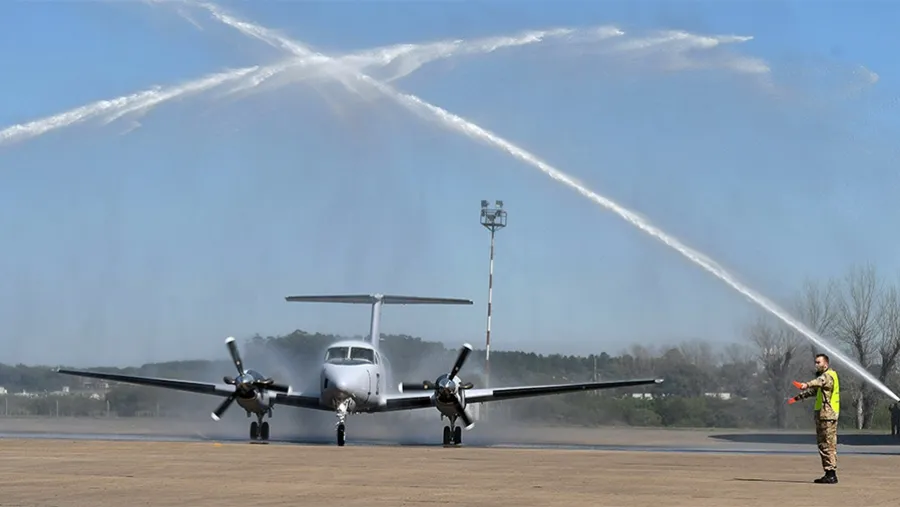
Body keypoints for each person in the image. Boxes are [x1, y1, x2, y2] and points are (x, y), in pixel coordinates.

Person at [788, 353, 840, 484]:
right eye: (815, 362)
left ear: (826, 364)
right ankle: (830, 473)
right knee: (827, 445)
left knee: (826, 445)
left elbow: (819, 382)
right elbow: (814, 391)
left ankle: (831, 474)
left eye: (818, 362)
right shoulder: (827, 376)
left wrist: (806, 384)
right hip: (826, 416)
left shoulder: (828, 376)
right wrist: (797, 398)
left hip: (827, 416)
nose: (816, 365)